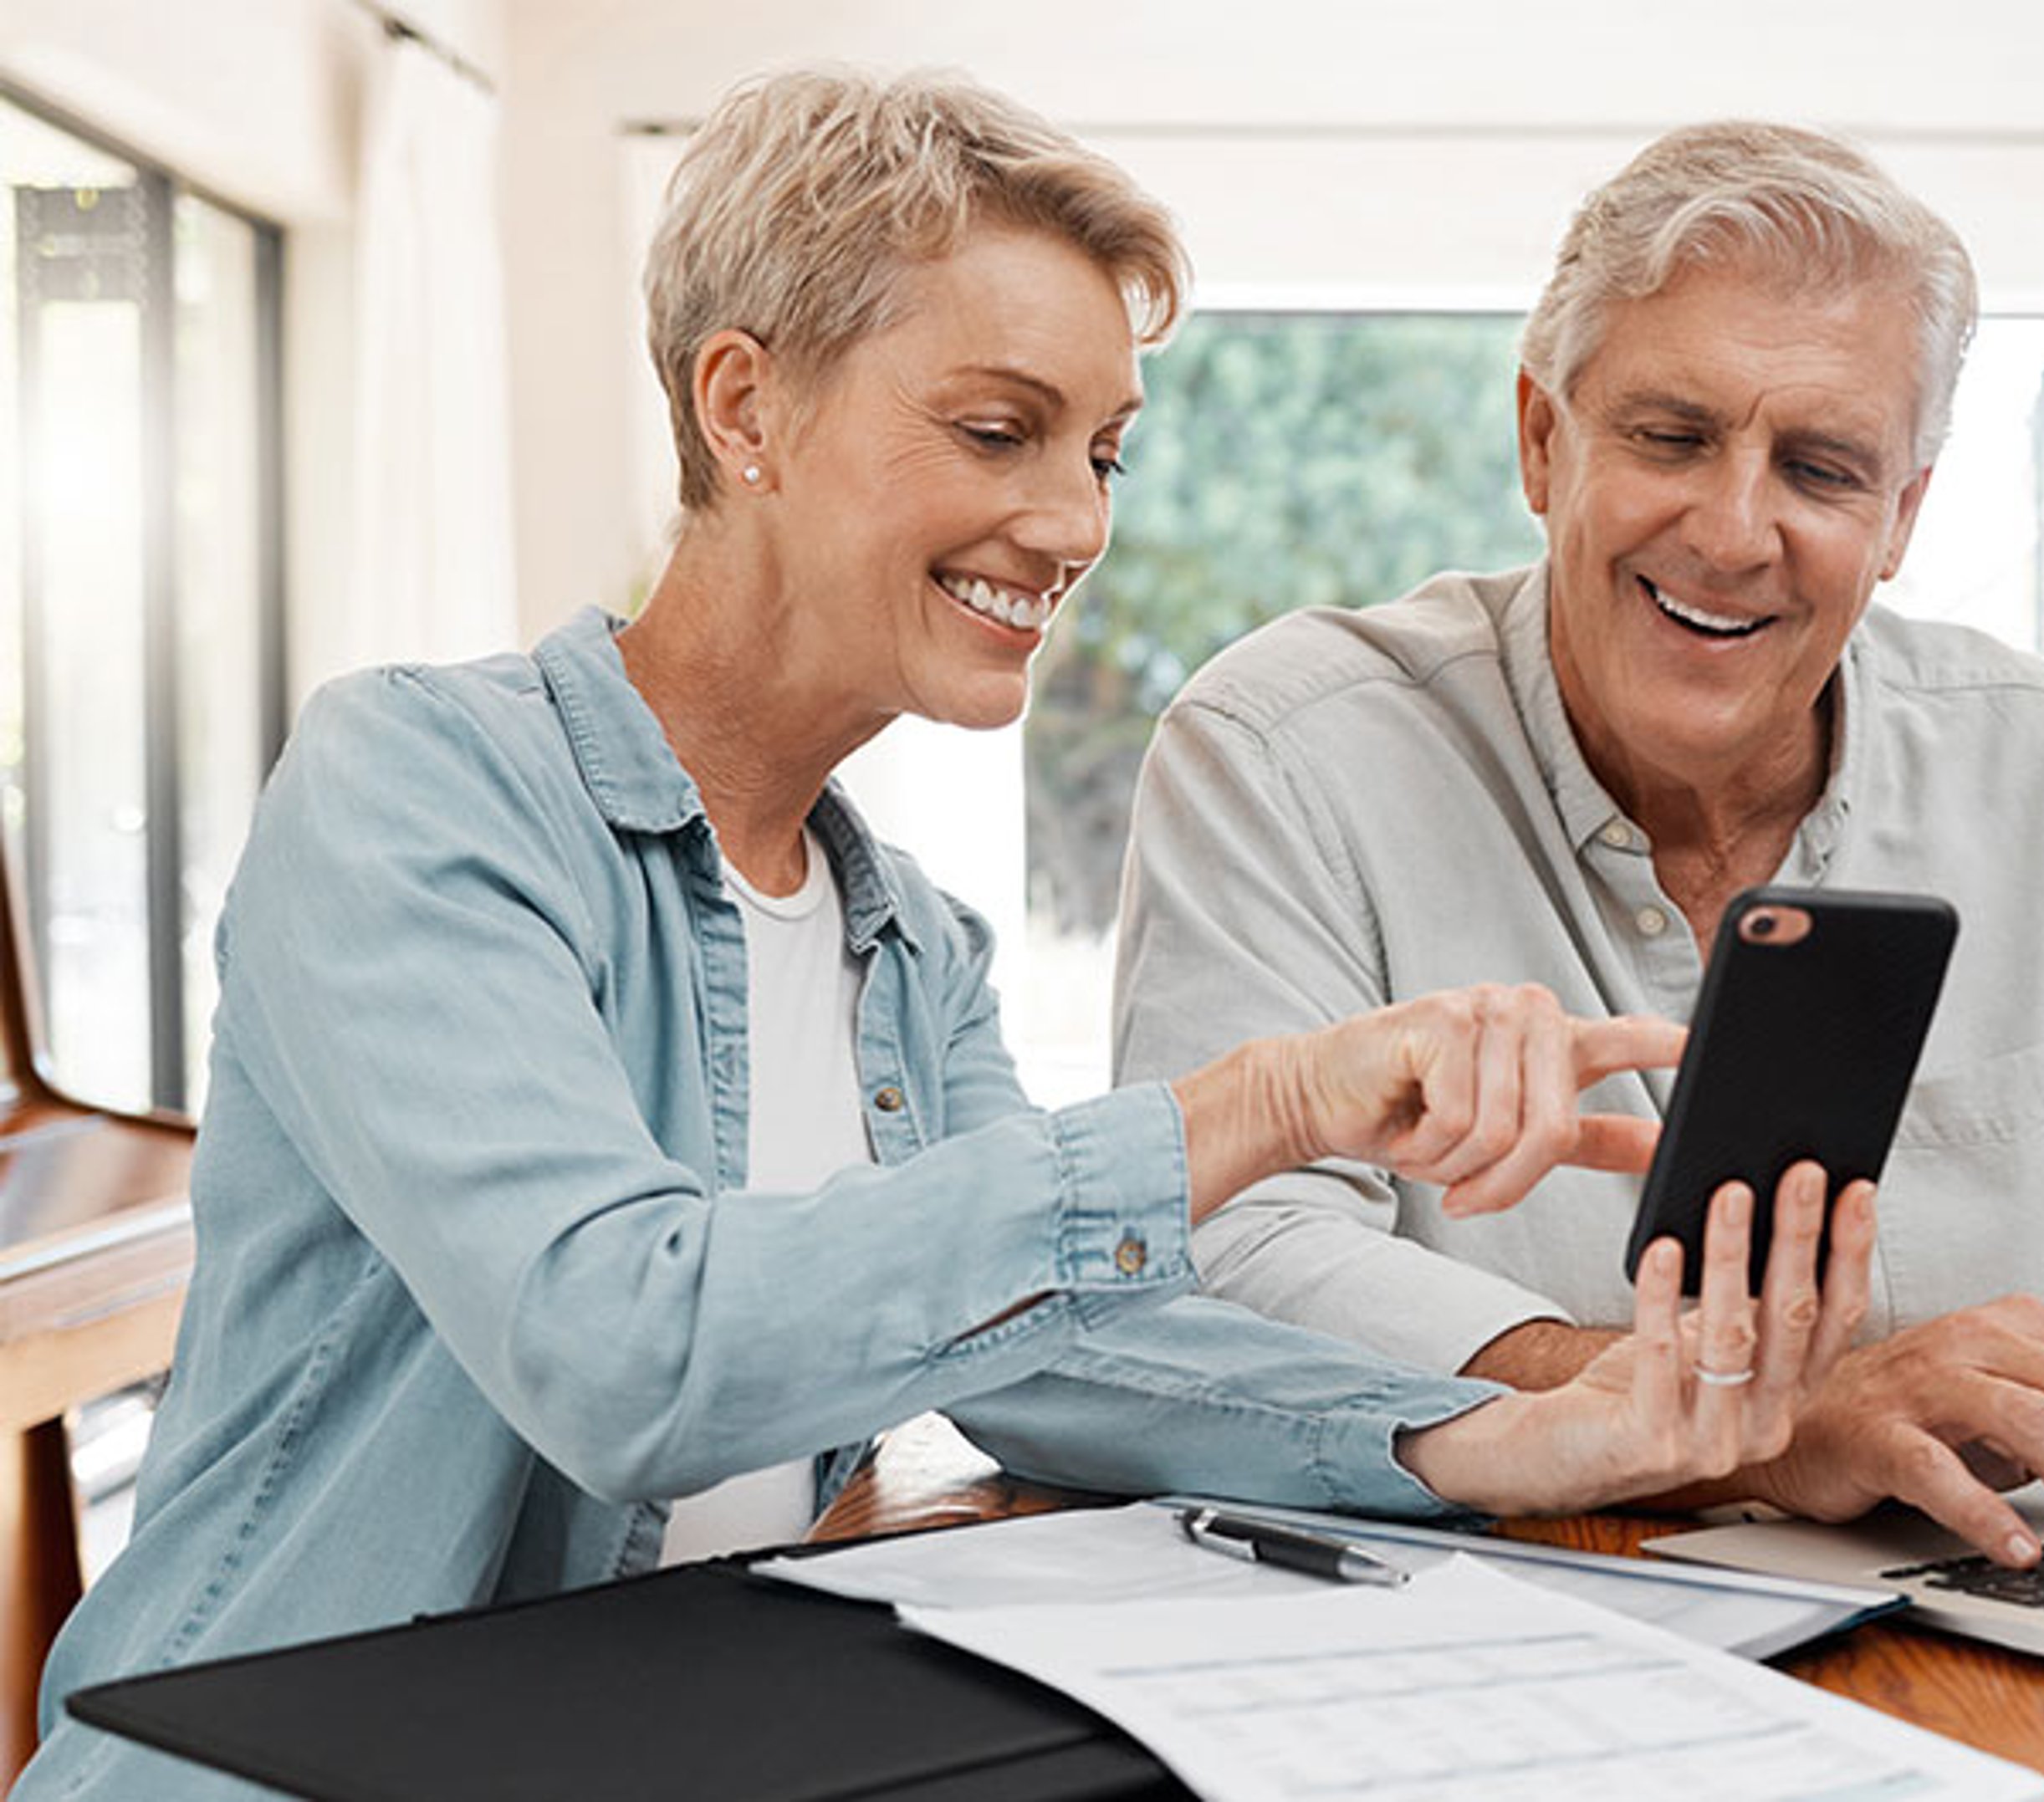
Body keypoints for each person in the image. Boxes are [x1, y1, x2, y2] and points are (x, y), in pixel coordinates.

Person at [19, 73, 1878, 1799]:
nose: (1072, 521)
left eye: (1104, 454)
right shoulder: (420, 784)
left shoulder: (910, 943)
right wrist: (1253, 1109)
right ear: (744, 408)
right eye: (1000, 430)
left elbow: (1060, 1349)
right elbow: (620, 1347)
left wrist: (1508, 1438)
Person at [1111, 121, 2044, 1573]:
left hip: (1991, 1615)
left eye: (1822, 468)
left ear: (1903, 514)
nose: (1736, 533)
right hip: (1490, 1629)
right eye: (1673, 438)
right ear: (1543, 441)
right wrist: (1742, 1423)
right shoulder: (1289, 751)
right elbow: (1212, 1258)